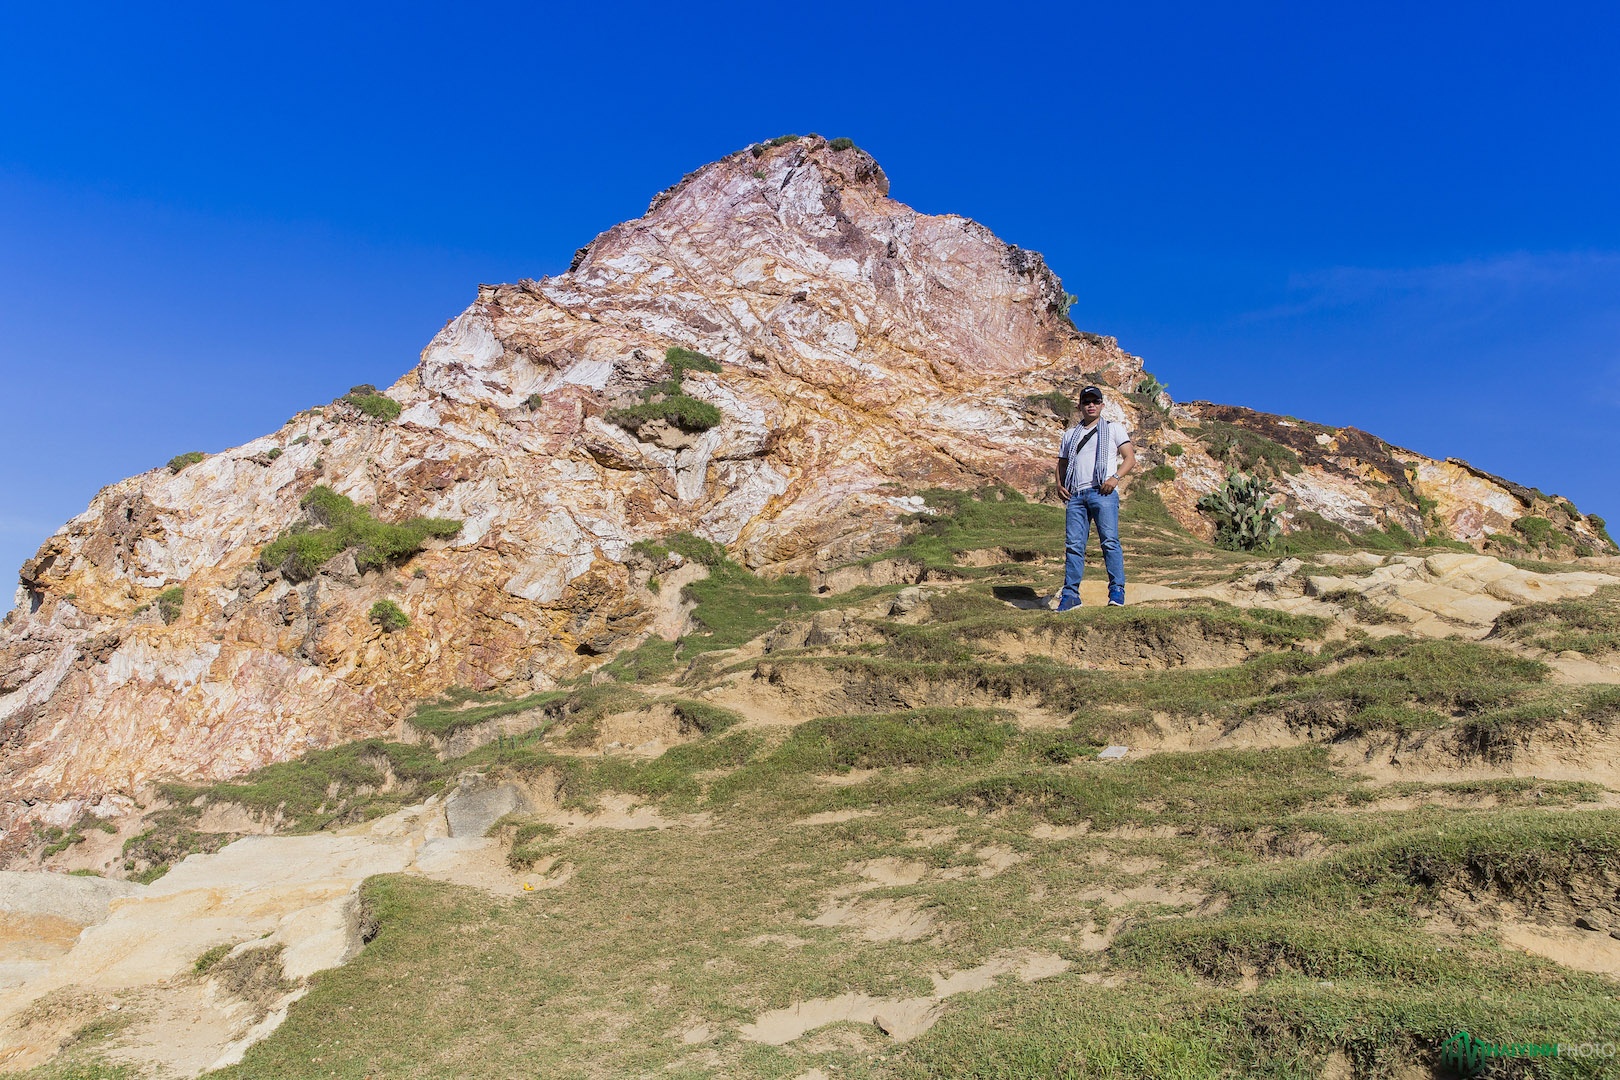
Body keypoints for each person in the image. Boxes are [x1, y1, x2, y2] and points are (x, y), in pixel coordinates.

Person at [1055, 385, 1136, 609]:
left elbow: (1129, 457)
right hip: (1076, 495)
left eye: (1095, 401)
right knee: (1073, 545)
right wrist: (1059, 484)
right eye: (1086, 402)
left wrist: (1115, 478)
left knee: (1109, 541)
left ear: (1101, 405)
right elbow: (1062, 462)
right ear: (1080, 406)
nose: (1090, 405)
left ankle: (1117, 591)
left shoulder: (1113, 429)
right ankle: (1070, 596)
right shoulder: (1070, 434)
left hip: (1103, 492)